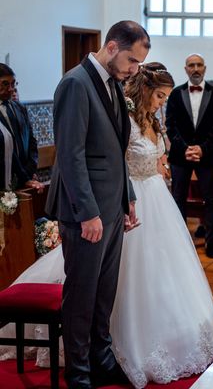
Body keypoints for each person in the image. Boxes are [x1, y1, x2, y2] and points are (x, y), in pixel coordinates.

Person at [1, 63, 213, 388]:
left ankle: (128, 344)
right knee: (116, 277)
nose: (162, 102)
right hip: (124, 199)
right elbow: (106, 159)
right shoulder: (119, 113)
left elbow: (152, 156)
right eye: (159, 95)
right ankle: (100, 351)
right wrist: (127, 196)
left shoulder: (152, 119)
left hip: (156, 198)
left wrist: (160, 165)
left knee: (162, 274)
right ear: (147, 90)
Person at [44, 20, 149, 389]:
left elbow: (114, 151)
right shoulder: (76, 83)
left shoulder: (111, 84)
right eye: (132, 60)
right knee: (82, 296)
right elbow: (70, 156)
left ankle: (101, 360)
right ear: (112, 47)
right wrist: (87, 212)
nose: (135, 69)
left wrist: (128, 197)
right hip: (85, 212)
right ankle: (79, 373)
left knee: (105, 294)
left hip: (111, 209)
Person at [165, 53, 213, 258]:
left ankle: (210, 242)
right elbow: (170, 126)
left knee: (210, 199)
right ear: (185, 69)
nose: (196, 68)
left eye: (199, 65)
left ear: (205, 69)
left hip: (206, 156)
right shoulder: (175, 94)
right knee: (178, 198)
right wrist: (185, 148)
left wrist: (202, 148)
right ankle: (181, 242)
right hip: (180, 156)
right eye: (192, 65)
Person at [0, 63, 44, 192]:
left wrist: (30, 170)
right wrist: (23, 176)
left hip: (25, 177)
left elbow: (31, 141)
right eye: (5, 84)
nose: (11, 89)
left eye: (13, 83)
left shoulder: (19, 107)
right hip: (4, 178)